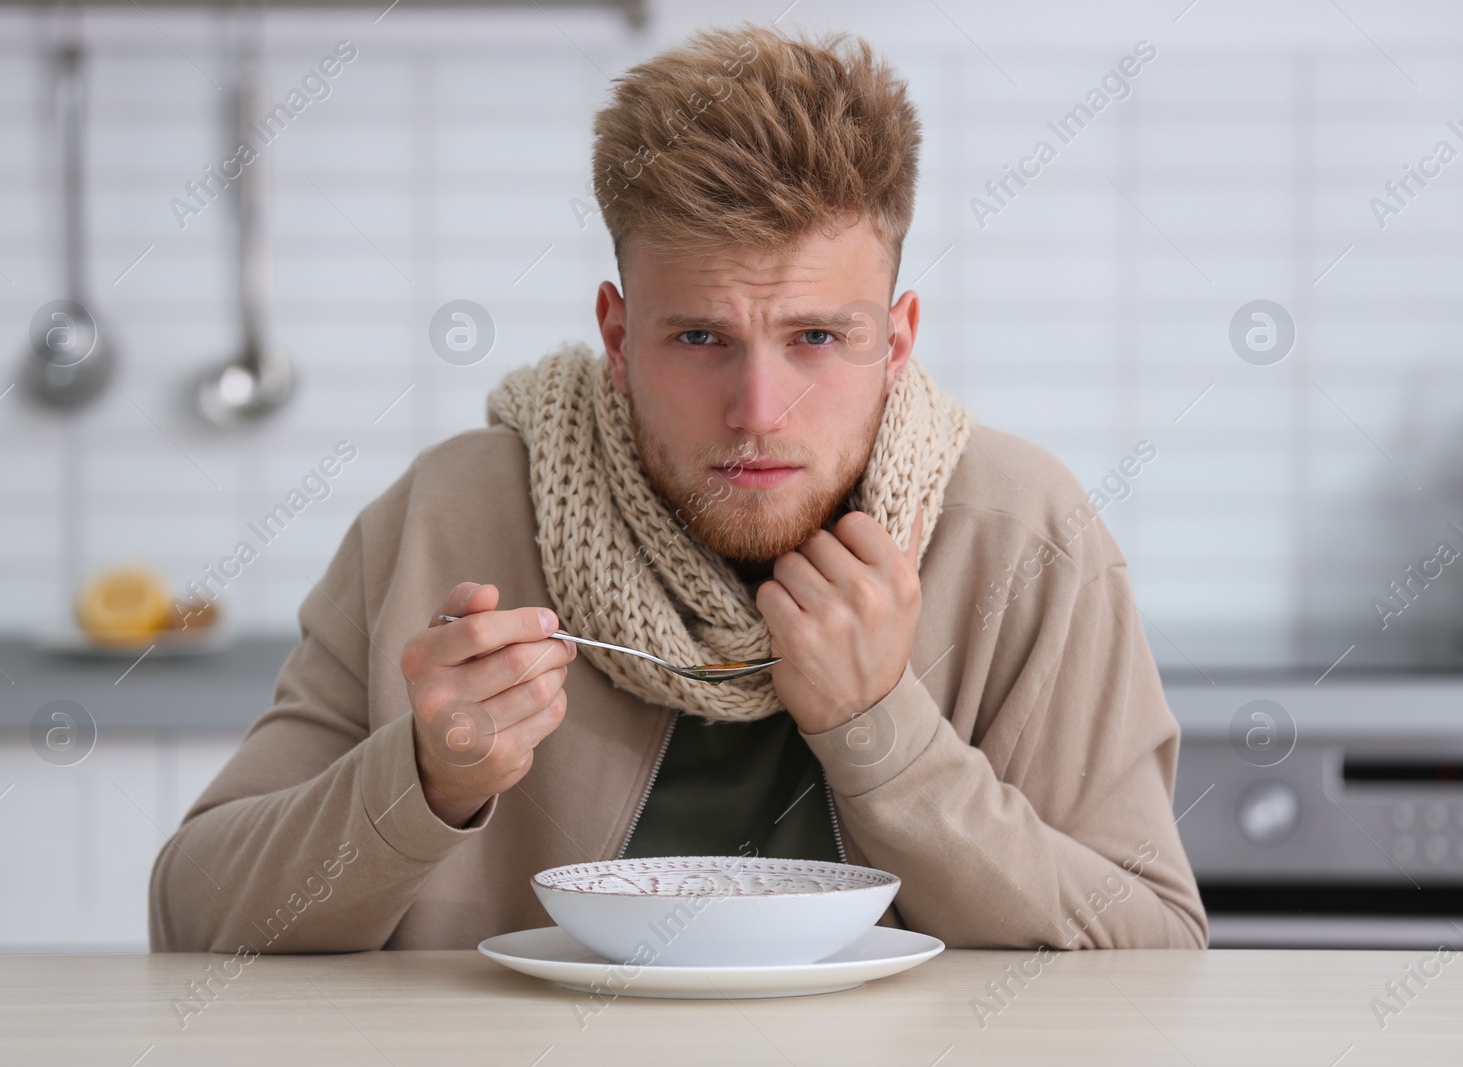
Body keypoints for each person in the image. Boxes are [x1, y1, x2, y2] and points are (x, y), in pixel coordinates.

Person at [149, 23, 1207, 954]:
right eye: (699, 336)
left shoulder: (1025, 535)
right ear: (616, 335)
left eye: (816, 338)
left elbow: (1147, 944)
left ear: (895, 339)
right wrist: (424, 778)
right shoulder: (446, 519)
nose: (756, 407)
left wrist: (881, 728)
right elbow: (195, 912)